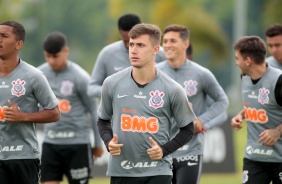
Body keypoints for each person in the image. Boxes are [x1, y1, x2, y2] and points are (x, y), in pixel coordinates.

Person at [97, 23, 197, 184]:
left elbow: (188, 129)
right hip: (121, 171)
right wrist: (108, 142)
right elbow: (102, 120)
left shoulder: (172, 89)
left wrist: (164, 150)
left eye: (141, 45)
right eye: (131, 45)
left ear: (156, 50)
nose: (134, 50)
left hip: (158, 172)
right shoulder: (111, 83)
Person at [156, 24, 229, 184]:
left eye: (173, 41)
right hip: (160, 150)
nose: (167, 45)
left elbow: (222, 101)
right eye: (165, 41)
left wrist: (202, 120)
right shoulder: (154, 73)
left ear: (185, 44)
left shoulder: (201, 74)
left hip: (190, 149)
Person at [38, 31, 103, 184]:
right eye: (48, 56)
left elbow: (94, 110)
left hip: (77, 144)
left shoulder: (80, 77)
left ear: (66, 51)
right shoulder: (39, 74)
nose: (51, 61)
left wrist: (98, 144)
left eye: (55, 56)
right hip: (50, 144)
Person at [0, 21, 60, 184]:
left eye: (4, 36)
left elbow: (54, 113)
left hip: (24, 157)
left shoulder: (33, 76)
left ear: (18, 44)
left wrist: (22, 116)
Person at [231, 35, 282, 184]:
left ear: (248, 61)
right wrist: (241, 115)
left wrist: (277, 131)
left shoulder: (278, 81)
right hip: (254, 158)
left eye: (237, 58)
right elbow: (256, 104)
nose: (236, 63)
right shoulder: (244, 77)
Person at [87, 13, 166, 98]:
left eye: (139, 44)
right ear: (120, 33)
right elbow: (92, 89)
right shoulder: (107, 53)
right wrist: (116, 90)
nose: (130, 47)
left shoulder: (161, 53)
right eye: (127, 42)